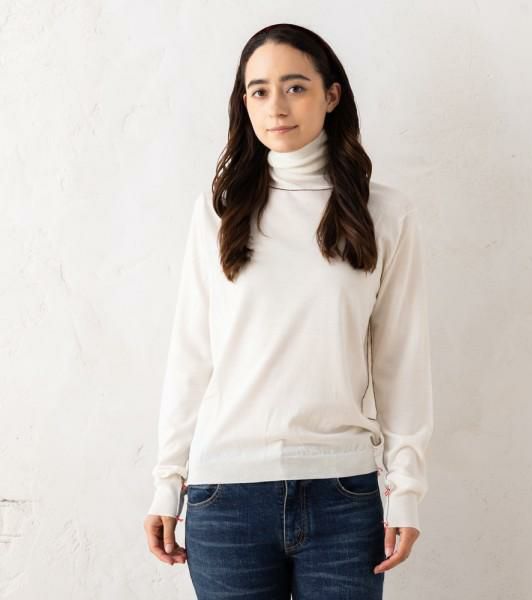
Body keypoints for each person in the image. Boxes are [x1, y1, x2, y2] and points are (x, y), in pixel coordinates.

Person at [143, 22, 434, 600]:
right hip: (226, 496)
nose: (276, 106)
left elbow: (401, 362)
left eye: (295, 87)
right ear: (244, 102)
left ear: (332, 95)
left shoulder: (384, 214)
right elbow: (191, 356)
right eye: (259, 90)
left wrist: (406, 490)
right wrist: (167, 482)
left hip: (342, 495)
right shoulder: (220, 212)